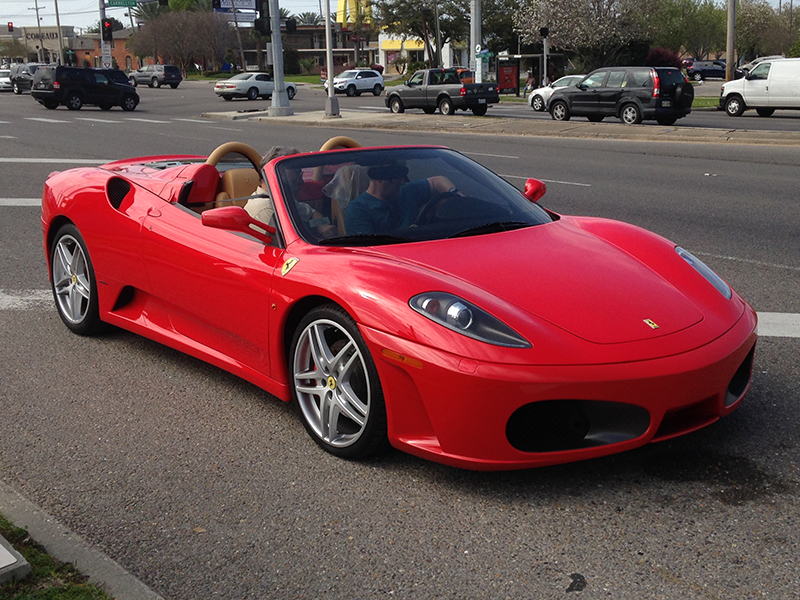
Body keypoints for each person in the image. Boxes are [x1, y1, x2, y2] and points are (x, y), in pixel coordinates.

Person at [244, 146, 337, 238]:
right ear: (275, 176)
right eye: (295, 175)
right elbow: (286, 242)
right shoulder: (266, 209)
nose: (301, 181)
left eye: (300, 174)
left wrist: (321, 226)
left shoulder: (280, 199)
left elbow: (312, 213)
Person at [344, 163, 459, 236]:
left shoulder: (405, 190)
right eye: (396, 180)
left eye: (402, 179)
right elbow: (368, 249)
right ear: (379, 181)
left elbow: (437, 181)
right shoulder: (357, 210)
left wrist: (458, 196)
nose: (402, 183)